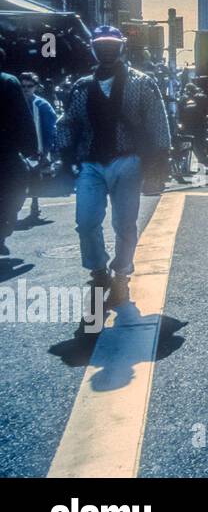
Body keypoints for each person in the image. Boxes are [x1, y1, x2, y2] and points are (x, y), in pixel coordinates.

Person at [55, 25, 171, 305]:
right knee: (85, 222)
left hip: (128, 160)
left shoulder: (142, 82)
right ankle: (97, 269)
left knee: (124, 222)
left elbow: (158, 123)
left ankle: (121, 271)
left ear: (120, 47)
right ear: (93, 48)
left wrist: (158, 165)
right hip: (91, 163)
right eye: (101, 44)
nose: (106, 49)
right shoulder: (81, 86)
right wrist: (64, 157)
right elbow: (68, 122)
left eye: (111, 44)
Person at [0, 48, 38, 256]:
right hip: (5, 151)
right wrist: (31, 148)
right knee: (14, 190)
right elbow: (22, 116)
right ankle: (2, 231)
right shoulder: (8, 82)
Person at [19, 72, 57, 226]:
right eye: (23, 86)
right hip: (19, 149)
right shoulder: (15, 103)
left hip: (37, 149)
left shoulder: (42, 105)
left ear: (36, 87)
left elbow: (50, 129)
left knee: (34, 179)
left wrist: (46, 151)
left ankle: (34, 206)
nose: (26, 89)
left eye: (30, 86)